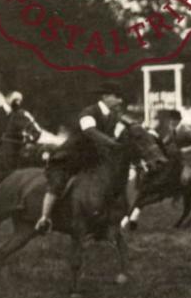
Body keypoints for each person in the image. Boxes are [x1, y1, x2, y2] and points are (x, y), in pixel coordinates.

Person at [36, 84, 127, 234]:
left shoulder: (113, 116)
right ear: (105, 97)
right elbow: (90, 131)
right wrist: (111, 143)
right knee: (57, 182)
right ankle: (44, 219)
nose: (120, 100)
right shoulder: (88, 112)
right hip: (70, 157)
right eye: (116, 96)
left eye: (120, 97)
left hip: (91, 159)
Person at [154, 109, 191, 189]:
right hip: (179, 158)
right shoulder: (172, 130)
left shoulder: (186, 131)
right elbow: (165, 142)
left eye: (172, 120)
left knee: (185, 179)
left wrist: (188, 149)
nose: (170, 122)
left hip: (190, 159)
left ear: (177, 120)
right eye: (169, 120)